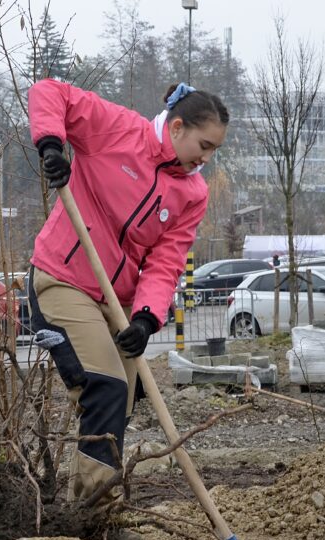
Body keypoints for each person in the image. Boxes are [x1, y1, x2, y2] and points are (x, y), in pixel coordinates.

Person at [27, 79, 229, 507]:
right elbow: (50, 92)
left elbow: (165, 261)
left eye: (215, 150)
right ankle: (90, 508)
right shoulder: (118, 129)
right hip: (62, 277)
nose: (207, 158)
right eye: (204, 145)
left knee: (124, 399)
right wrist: (51, 145)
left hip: (116, 301)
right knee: (106, 385)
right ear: (177, 128)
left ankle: (93, 498)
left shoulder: (192, 193)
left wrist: (146, 318)